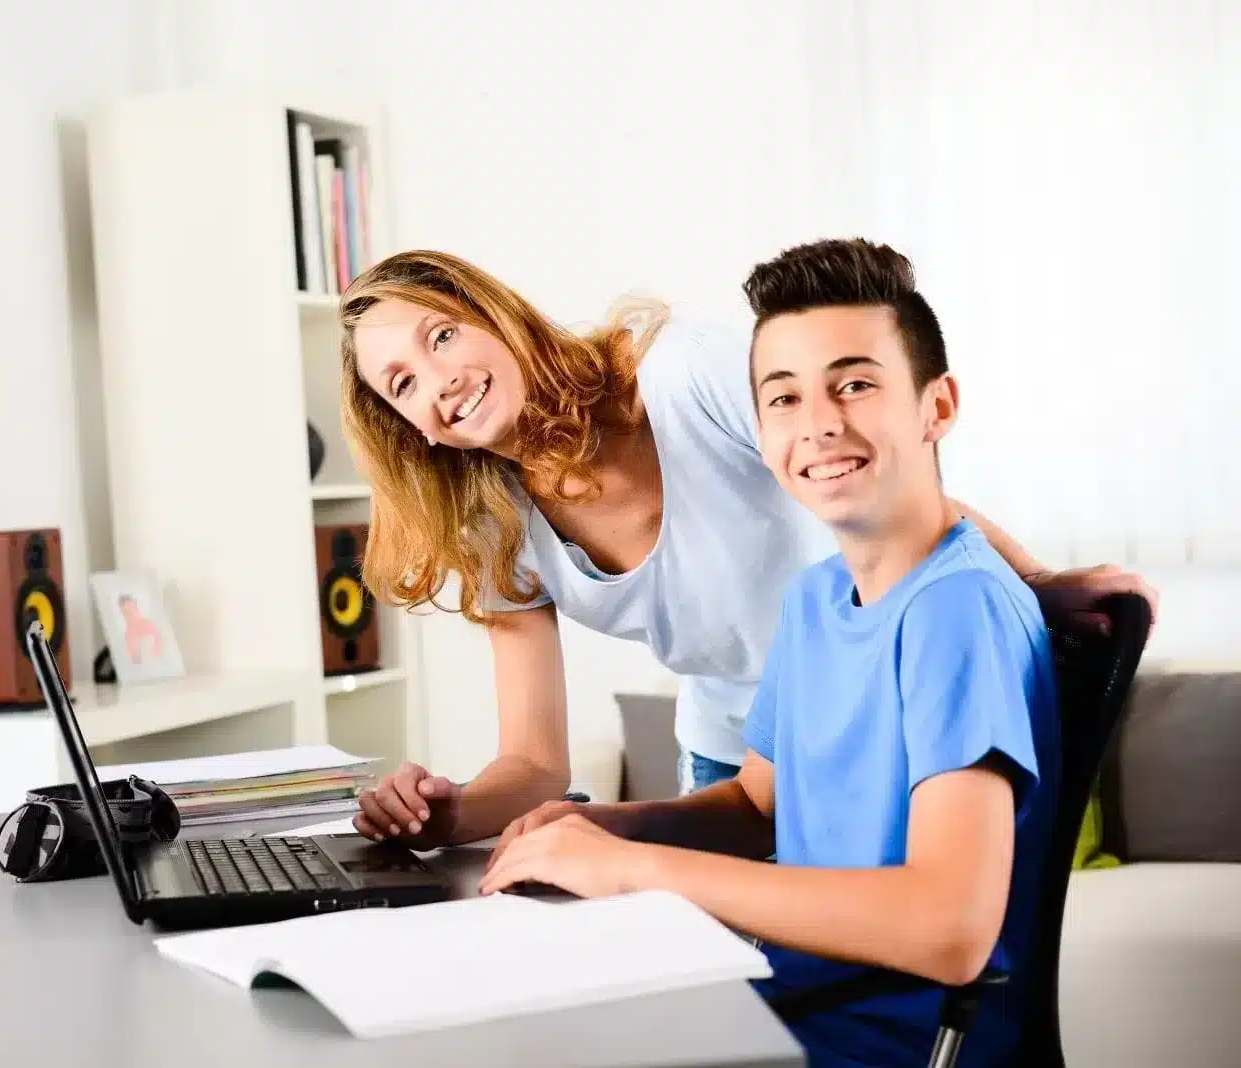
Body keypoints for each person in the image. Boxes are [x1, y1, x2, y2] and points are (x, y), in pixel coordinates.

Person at [338, 249, 1152, 849]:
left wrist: (1037, 583)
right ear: (406, 427)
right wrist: (444, 815)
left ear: (493, 313)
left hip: (865, 728)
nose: (437, 380)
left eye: (441, 337)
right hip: (733, 762)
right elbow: (533, 762)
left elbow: (874, 481)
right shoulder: (493, 526)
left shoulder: (681, 375)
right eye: (402, 383)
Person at [478, 238, 1063, 1067]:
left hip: (883, 1043)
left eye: (855, 384)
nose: (820, 423)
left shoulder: (956, 609)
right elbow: (759, 809)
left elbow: (948, 930)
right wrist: (598, 826)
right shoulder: (817, 599)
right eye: (784, 399)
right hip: (787, 1004)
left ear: (936, 407)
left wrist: (631, 868)